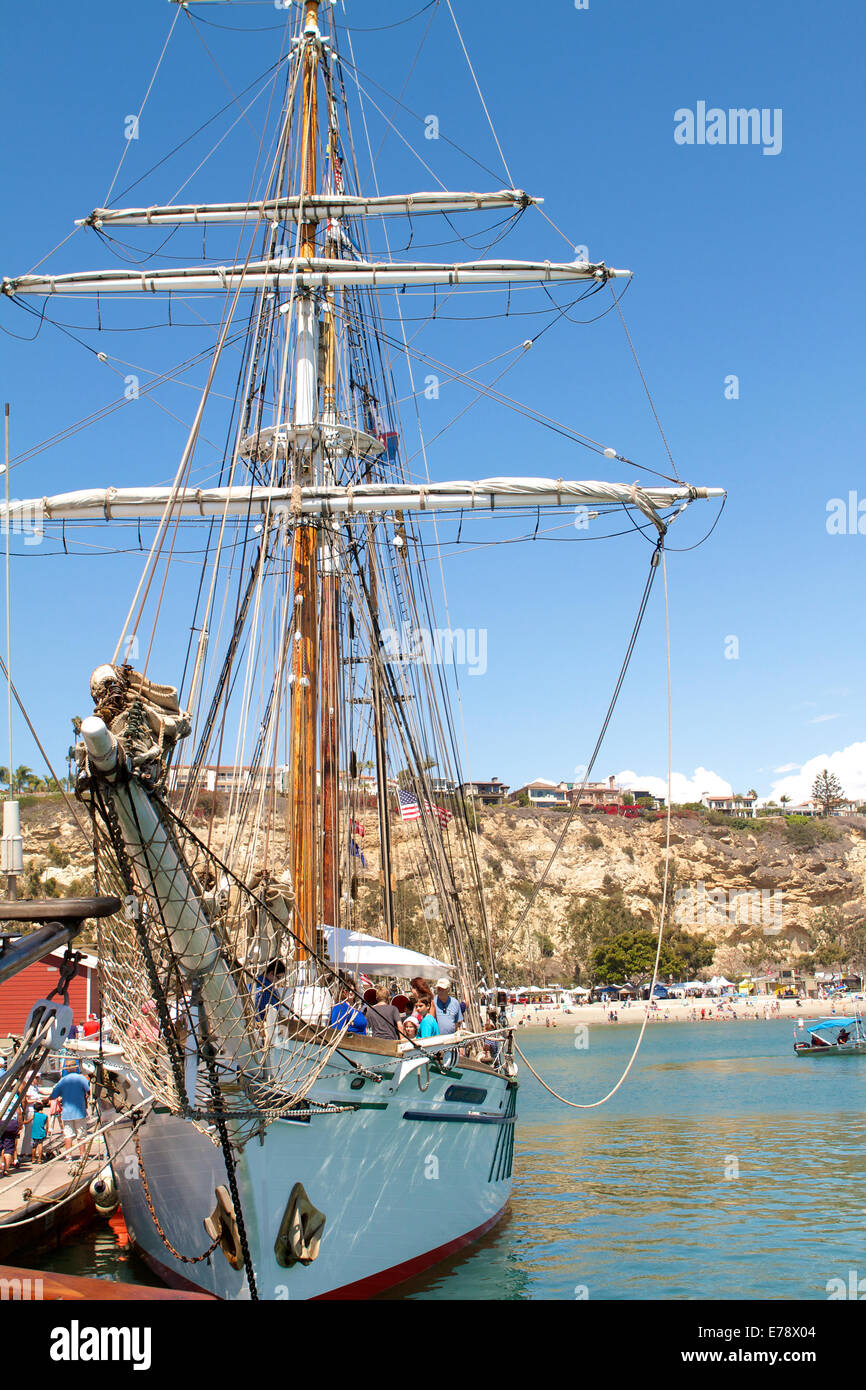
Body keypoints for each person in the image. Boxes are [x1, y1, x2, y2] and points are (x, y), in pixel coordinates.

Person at [50, 1062, 91, 1161]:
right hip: (80, 1111)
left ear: (67, 1069)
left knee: (68, 1135)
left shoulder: (63, 1081)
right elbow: (88, 1091)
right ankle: (82, 1155)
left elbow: (54, 1095)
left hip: (67, 1113)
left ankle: (68, 1156)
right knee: (81, 1135)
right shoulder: (82, 1079)